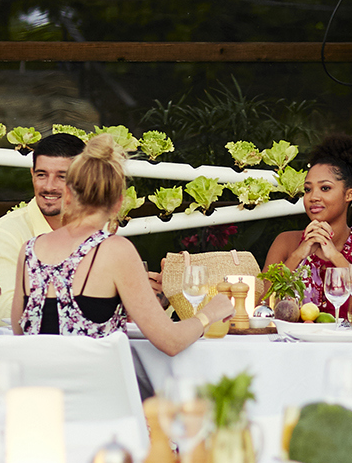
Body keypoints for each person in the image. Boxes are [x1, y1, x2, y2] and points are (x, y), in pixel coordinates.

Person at [13, 134, 233, 356]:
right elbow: (171, 341)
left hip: (34, 388)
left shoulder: (30, 250)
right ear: (119, 202)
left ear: (67, 194)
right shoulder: (115, 250)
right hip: (94, 388)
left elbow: (20, 332)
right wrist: (210, 313)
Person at [264, 134, 352, 319]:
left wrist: (336, 257)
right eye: (308, 189)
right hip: (294, 344)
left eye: (325, 188)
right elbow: (262, 306)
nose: (313, 197)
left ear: (349, 195)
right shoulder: (286, 243)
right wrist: (298, 255)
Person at [0, 132, 85, 339]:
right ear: (32, 174)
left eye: (62, 176)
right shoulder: (5, 233)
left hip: (73, 350)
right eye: (41, 175)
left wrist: (150, 298)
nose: (49, 186)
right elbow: (6, 316)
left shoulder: (94, 230)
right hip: (3, 358)